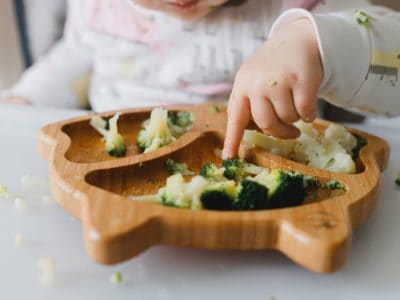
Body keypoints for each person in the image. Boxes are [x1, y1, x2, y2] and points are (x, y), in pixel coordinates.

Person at [1, 0, 399, 158]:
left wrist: (314, 39)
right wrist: (23, 104)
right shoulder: (100, 6)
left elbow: (390, 59)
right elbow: (77, 56)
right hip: (115, 171)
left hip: (258, 170)